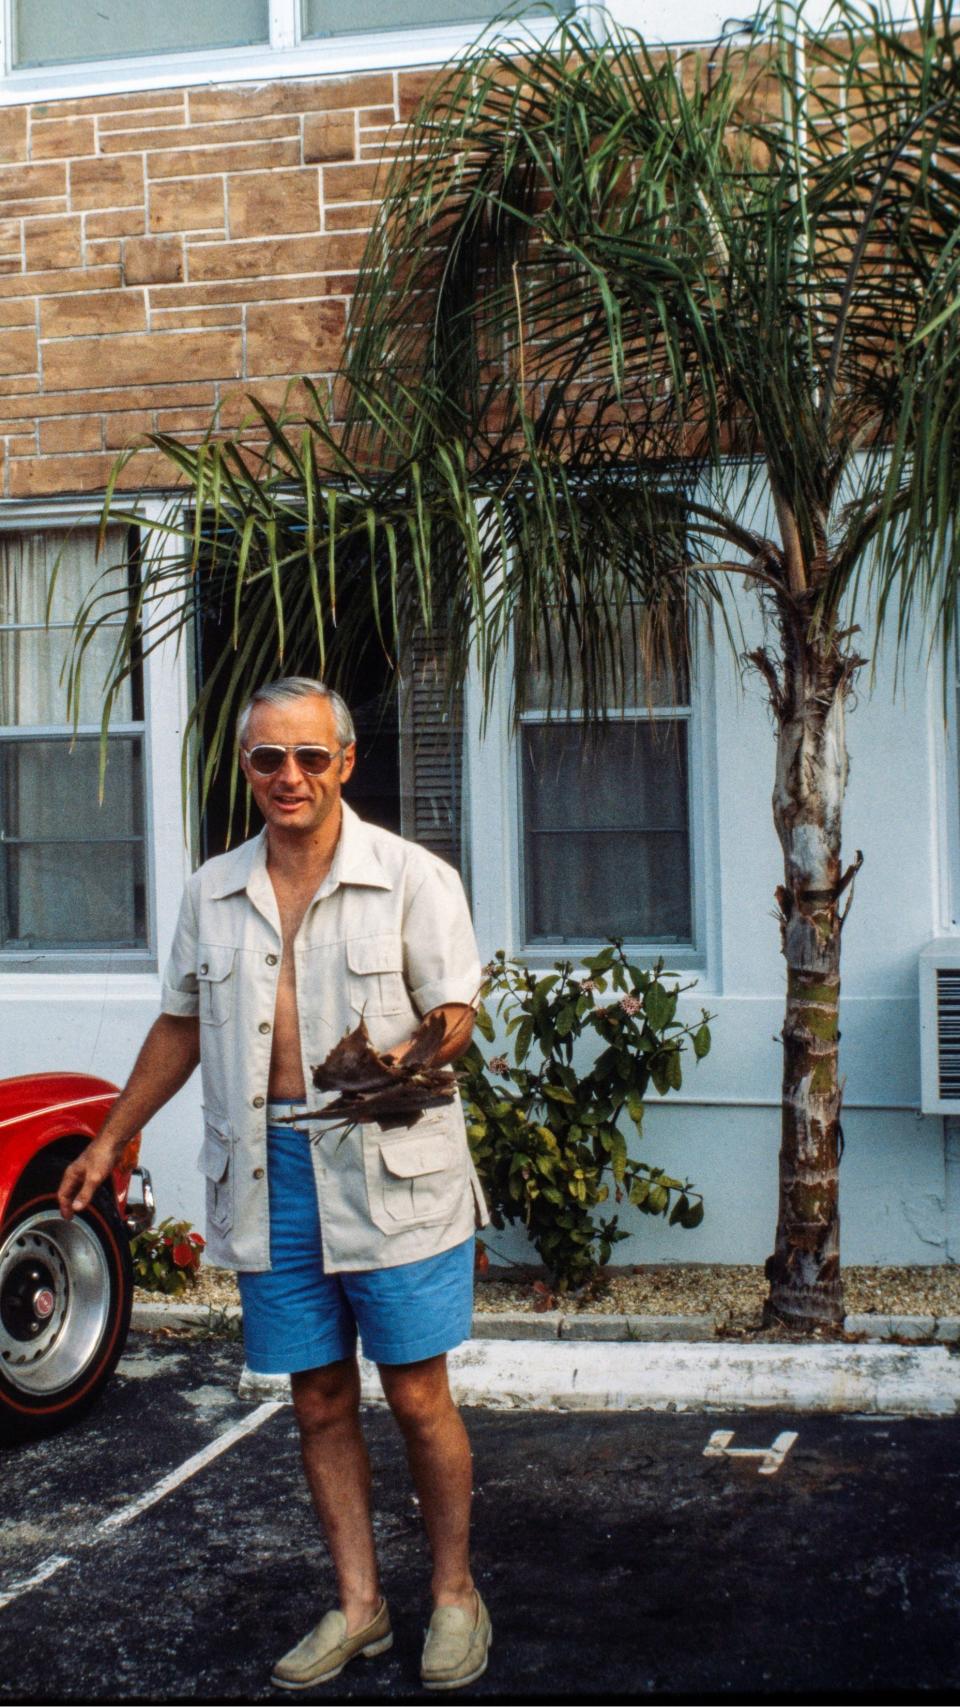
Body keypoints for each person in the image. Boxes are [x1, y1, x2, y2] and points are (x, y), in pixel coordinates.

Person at [58, 675, 492, 1694]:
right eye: (267, 758)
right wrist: (113, 1136)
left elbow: (458, 1009)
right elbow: (180, 1025)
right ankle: (360, 1606)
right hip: (271, 1167)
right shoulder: (212, 891)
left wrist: (399, 1058)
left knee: (420, 1396)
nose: (287, 776)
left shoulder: (413, 877)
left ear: (346, 762)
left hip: (387, 1160)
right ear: (245, 767)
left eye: (308, 757)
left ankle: (457, 1596)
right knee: (317, 1399)